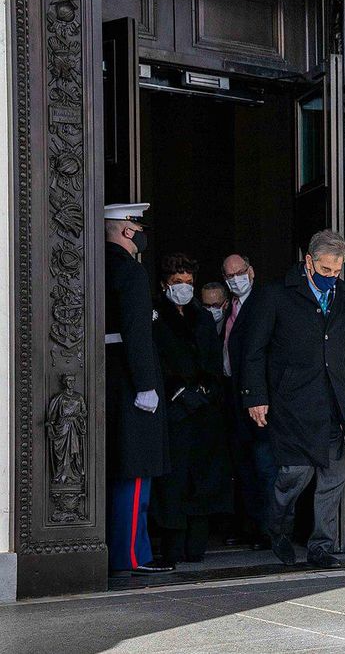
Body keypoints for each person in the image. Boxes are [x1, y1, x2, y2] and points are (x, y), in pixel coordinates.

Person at [242, 230, 345, 569]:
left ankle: (321, 546)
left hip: (334, 403)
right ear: (308, 262)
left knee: (332, 477)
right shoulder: (276, 295)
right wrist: (256, 396)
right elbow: (254, 350)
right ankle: (278, 526)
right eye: (325, 271)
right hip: (292, 402)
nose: (331, 277)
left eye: (337, 271)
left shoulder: (343, 295)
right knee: (295, 473)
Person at [103, 202, 173, 574]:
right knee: (134, 471)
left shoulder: (95, 265)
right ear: (126, 230)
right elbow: (136, 333)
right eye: (136, 225)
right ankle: (130, 555)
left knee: (119, 469)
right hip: (131, 381)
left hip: (108, 378)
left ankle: (130, 551)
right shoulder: (129, 271)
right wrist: (146, 384)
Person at [150, 254, 233, 563]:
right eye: (176, 282)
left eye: (187, 282)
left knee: (204, 478)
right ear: (164, 284)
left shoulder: (201, 316)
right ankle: (171, 546)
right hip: (174, 411)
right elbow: (155, 359)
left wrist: (205, 390)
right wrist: (179, 392)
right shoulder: (155, 315)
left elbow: (212, 359)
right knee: (173, 481)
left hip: (204, 412)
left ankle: (196, 546)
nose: (183, 288)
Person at [221, 253, 273, 550]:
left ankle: (268, 530)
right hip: (234, 400)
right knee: (241, 468)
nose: (235, 279)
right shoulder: (229, 307)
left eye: (239, 272)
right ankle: (248, 526)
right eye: (229, 275)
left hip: (258, 401)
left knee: (264, 466)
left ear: (251, 271)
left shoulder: (263, 303)